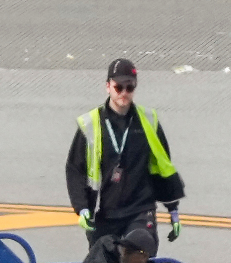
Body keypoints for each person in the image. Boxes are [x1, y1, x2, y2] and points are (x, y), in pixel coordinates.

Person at [66, 58, 186, 246]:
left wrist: (173, 210)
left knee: (137, 256)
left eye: (129, 88)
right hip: (104, 213)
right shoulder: (90, 124)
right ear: (108, 86)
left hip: (140, 210)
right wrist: (81, 208)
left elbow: (163, 166)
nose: (124, 93)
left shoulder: (148, 121)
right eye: (118, 87)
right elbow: (75, 169)